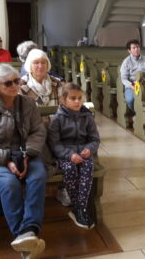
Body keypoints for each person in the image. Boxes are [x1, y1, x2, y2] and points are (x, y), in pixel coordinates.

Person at [0, 64, 47, 259]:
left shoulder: (27, 103)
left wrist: (27, 154)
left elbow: (38, 131)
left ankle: (29, 229)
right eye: (8, 83)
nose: (14, 86)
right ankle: (22, 236)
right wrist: (7, 159)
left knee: (37, 176)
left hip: (24, 153)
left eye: (16, 81)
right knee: (9, 183)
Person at [19, 48, 68, 207]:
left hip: (56, 128)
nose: (40, 66)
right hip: (34, 132)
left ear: (47, 65)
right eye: (36, 63)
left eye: (43, 62)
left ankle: (64, 187)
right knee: (37, 148)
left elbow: (64, 109)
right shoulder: (22, 86)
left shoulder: (57, 83)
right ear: (29, 66)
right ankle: (31, 191)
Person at [48, 83, 100, 229]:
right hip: (65, 155)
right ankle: (79, 209)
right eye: (73, 98)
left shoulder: (87, 116)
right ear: (63, 100)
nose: (77, 101)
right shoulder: (57, 119)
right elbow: (55, 144)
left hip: (83, 153)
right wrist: (69, 155)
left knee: (87, 167)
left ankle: (79, 209)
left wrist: (89, 149)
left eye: (79, 98)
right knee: (70, 169)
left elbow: (94, 139)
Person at [119, 39, 145, 111]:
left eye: (137, 47)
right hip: (132, 85)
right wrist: (132, 86)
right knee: (130, 100)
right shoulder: (126, 61)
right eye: (134, 48)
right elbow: (124, 78)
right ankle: (137, 113)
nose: (136, 49)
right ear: (129, 50)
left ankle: (143, 113)